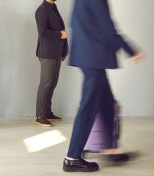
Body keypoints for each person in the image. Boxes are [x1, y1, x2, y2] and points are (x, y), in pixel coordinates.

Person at [63, 0, 143, 172]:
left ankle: (110, 149)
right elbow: (107, 29)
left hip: (88, 56)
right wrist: (131, 50)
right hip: (93, 57)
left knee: (106, 102)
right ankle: (72, 157)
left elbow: (75, 22)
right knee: (88, 106)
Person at [34, 0, 68, 127]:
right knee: (45, 84)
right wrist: (60, 34)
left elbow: (61, 29)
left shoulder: (53, 7)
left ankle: (47, 112)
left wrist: (64, 51)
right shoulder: (42, 10)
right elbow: (42, 32)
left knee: (52, 83)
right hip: (47, 53)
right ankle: (40, 116)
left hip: (56, 52)